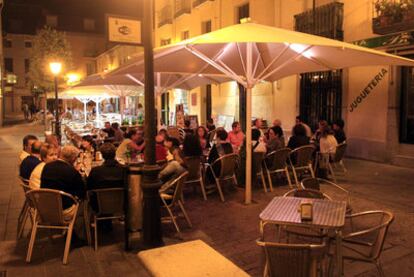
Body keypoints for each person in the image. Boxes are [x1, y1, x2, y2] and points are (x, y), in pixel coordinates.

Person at [41, 145, 86, 240]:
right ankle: (80, 234)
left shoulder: (47, 167)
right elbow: (82, 192)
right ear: (73, 159)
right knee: (87, 202)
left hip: (46, 208)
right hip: (65, 210)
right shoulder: (71, 171)